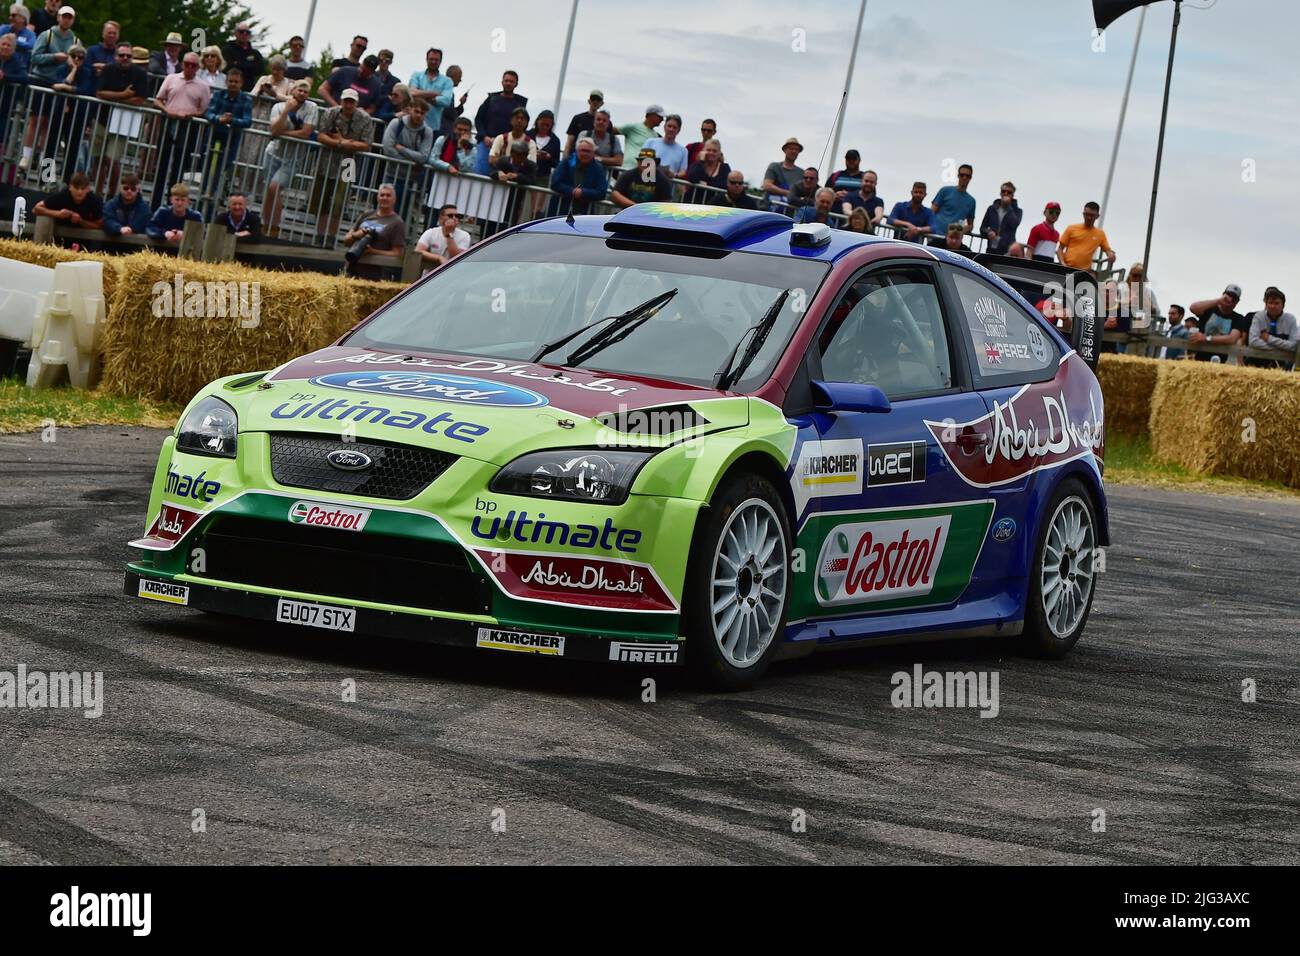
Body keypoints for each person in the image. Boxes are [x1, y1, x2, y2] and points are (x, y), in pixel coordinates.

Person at [151, 51, 211, 208]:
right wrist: (166, 110)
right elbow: (157, 99)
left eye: (193, 65)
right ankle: (155, 204)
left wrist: (191, 114)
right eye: (187, 64)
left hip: (187, 126)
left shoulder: (203, 86)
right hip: (169, 121)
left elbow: (204, 110)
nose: (190, 67)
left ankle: (173, 204)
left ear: (198, 67)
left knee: (179, 165)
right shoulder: (171, 78)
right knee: (161, 165)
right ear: (182, 64)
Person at [312, 87, 373, 237]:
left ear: (356, 103)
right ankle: (319, 235)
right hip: (326, 160)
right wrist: (342, 143)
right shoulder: (330, 112)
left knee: (340, 202)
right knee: (322, 200)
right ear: (341, 101)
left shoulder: (365, 119)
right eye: (346, 101)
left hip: (349, 162)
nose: (348, 105)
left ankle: (332, 236)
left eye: (352, 102)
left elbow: (366, 145)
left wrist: (343, 143)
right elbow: (320, 136)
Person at [261, 79, 317, 235]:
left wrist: (283, 134)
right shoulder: (278, 106)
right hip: (273, 152)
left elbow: (305, 133)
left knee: (274, 187)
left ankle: (275, 225)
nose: (302, 94)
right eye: (300, 90)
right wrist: (286, 111)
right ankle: (266, 224)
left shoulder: (312, 108)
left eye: (306, 92)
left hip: (293, 157)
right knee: (269, 190)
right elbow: (273, 129)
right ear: (292, 91)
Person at [342, 182, 405, 280]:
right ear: (377, 198)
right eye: (382, 195)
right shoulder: (366, 215)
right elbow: (346, 241)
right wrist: (356, 235)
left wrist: (373, 251)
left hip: (376, 275)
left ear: (394, 199)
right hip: (352, 268)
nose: (384, 198)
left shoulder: (397, 222)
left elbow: (397, 253)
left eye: (388, 195)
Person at [205, 66, 252, 193]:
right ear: (226, 82)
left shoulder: (246, 99)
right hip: (214, 134)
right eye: (230, 81)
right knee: (208, 167)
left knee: (224, 168)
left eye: (236, 82)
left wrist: (233, 121)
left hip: (233, 138)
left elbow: (248, 121)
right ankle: (204, 193)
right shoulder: (218, 95)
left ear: (241, 83)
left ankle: (218, 195)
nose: (233, 84)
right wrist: (219, 119)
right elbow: (208, 113)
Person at [472, 70, 527, 174]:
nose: (508, 83)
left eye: (511, 81)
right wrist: (484, 137)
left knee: (502, 175)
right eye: (506, 80)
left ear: (516, 84)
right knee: (481, 173)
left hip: (507, 145)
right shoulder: (491, 99)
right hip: (486, 143)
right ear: (502, 82)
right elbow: (478, 119)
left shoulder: (519, 104)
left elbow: (521, 126)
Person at [549, 136, 608, 215]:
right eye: (582, 150)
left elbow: (602, 192)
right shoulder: (566, 162)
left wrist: (582, 193)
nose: (585, 154)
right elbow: (555, 183)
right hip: (559, 210)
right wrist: (572, 191)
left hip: (584, 214)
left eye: (588, 151)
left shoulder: (599, 169)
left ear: (593, 153)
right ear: (576, 151)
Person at [1188, 284, 1248, 359]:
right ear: (1223, 294)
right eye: (1228, 295)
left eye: (1234, 298)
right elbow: (1193, 308)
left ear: (1237, 302)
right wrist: (1219, 301)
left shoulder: (1238, 318)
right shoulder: (1209, 309)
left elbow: (1232, 339)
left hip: (1219, 359)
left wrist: (1206, 338)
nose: (1230, 299)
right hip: (1198, 355)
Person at [1247, 287, 1298, 369]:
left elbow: (1293, 345)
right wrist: (1281, 347)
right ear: (1266, 304)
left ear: (1283, 305)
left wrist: (1268, 338)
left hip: (1281, 365)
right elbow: (1253, 342)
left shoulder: (1291, 319)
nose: (1273, 306)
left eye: (1277, 303)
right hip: (1256, 362)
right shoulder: (1259, 317)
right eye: (1270, 303)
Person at [1058, 201, 1115, 272]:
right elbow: (1060, 249)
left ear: (1097, 216)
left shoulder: (1100, 233)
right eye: (1086, 214)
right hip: (1067, 268)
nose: (1088, 217)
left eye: (1091, 215)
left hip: (1084, 272)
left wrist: (1110, 255)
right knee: (1068, 283)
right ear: (1083, 214)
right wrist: (1062, 263)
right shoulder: (1071, 228)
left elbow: (1107, 250)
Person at [33, 169, 101, 226]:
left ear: (88, 189)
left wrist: (81, 221)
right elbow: (36, 209)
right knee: (44, 218)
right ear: (70, 187)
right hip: (57, 231)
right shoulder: (63, 195)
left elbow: (99, 225)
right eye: (76, 188)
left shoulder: (94, 200)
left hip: (84, 236)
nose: (79, 192)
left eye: (83, 189)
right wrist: (58, 214)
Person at [416, 203, 470, 275]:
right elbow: (418, 251)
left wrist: (449, 234)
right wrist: (438, 258)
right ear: (441, 218)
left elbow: (456, 257)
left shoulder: (465, 236)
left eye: (457, 216)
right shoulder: (431, 232)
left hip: (452, 275)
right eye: (450, 216)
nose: (454, 218)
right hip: (429, 276)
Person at [408, 46, 452, 131]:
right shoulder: (416, 75)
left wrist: (421, 95)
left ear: (440, 61)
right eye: (431, 59)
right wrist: (434, 93)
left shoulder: (447, 81)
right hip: (412, 124)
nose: (433, 62)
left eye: (436, 60)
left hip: (433, 127)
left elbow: (446, 101)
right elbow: (412, 93)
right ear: (426, 59)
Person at [382, 97, 434, 165]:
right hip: (391, 172)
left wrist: (401, 149)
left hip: (413, 174)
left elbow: (423, 157)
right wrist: (411, 162)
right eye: (416, 111)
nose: (419, 115)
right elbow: (387, 149)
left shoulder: (428, 131)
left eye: (422, 113)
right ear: (410, 110)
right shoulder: (396, 123)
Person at [931, 163, 976, 235]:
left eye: (967, 176)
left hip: (953, 241)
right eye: (962, 175)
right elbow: (932, 212)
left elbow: (970, 225)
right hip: (936, 235)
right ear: (958, 176)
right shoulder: (945, 191)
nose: (964, 178)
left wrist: (960, 231)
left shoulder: (971, 201)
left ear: (970, 178)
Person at [978, 181, 1022, 255]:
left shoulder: (1017, 211)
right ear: (1000, 193)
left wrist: (1008, 207)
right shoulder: (991, 208)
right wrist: (989, 232)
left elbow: (1015, 224)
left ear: (1013, 195)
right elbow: (982, 228)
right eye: (1003, 191)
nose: (1006, 193)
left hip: (1007, 249)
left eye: (1009, 192)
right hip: (991, 248)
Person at [101, 172, 148, 236]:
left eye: (133, 189)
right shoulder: (111, 204)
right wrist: (120, 229)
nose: (129, 191)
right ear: (120, 188)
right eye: (126, 188)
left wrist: (130, 229)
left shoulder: (144, 207)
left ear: (138, 190)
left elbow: (141, 222)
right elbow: (107, 221)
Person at [618, 105, 664, 170]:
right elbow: (610, 130)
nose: (662, 119)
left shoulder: (657, 136)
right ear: (650, 115)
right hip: (627, 169)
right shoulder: (633, 127)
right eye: (659, 116)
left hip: (645, 173)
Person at [563, 89, 607, 157]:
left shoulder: (606, 123)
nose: (595, 101)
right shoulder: (577, 118)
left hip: (595, 162)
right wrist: (564, 161)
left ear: (602, 103)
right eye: (593, 99)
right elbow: (569, 143)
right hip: (576, 159)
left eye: (598, 100)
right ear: (589, 101)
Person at [643, 113, 688, 178]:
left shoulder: (683, 151)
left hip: (668, 186)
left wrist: (674, 175)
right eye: (669, 126)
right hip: (648, 184)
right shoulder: (650, 142)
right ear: (664, 127)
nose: (671, 129)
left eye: (674, 127)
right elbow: (641, 163)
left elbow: (683, 172)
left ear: (678, 130)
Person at [762, 137, 804, 202]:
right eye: (791, 148)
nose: (794, 151)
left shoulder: (802, 173)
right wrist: (789, 193)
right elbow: (767, 186)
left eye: (796, 149)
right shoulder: (774, 166)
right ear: (784, 150)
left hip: (789, 211)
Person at [0, 4, 37, 77]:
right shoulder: (3, 28)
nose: (10, 18)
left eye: (13, 15)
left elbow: (31, 45)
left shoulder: (31, 35)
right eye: (10, 15)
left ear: (23, 18)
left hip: (17, 70)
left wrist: (13, 41)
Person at [529, 109, 558, 179]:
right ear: (537, 121)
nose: (544, 127)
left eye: (547, 125)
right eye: (542, 124)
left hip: (543, 176)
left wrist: (549, 158)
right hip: (525, 173)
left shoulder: (555, 140)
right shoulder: (528, 135)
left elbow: (556, 163)